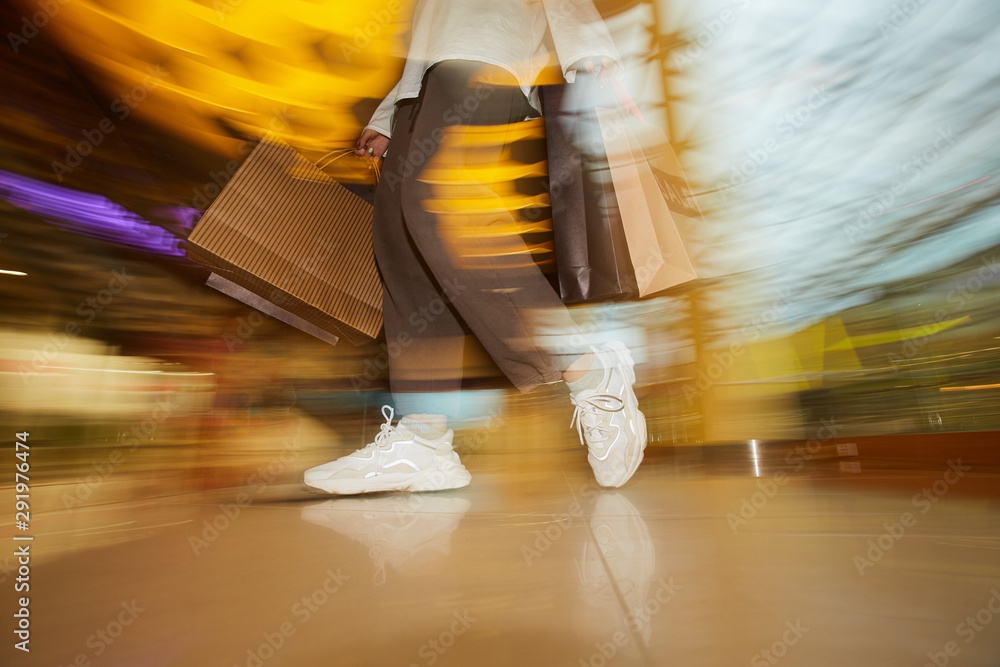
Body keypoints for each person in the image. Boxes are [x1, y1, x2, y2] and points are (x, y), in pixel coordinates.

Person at [304, 0, 646, 494]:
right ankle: (424, 441)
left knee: (443, 208)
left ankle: (592, 372)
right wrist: (389, 113)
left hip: (488, 52)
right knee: (401, 245)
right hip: (422, 84)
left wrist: (589, 47)